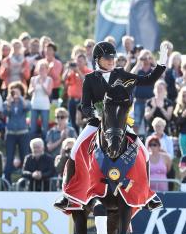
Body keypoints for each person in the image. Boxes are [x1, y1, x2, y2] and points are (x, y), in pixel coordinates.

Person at [54, 40, 168, 210]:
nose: (111, 60)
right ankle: (67, 195)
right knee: (74, 150)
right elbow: (84, 106)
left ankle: (147, 195)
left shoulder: (122, 74)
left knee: (143, 153)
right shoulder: (90, 79)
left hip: (119, 122)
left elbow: (148, 80)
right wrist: (95, 113)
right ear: (97, 59)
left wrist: (162, 62)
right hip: (96, 123)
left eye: (112, 57)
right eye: (107, 58)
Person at [3, 81, 30, 183]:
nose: (15, 94)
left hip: (23, 133)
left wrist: (20, 98)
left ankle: (26, 181)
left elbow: (27, 108)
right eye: (13, 92)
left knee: (25, 157)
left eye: (17, 91)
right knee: (9, 158)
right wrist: (9, 102)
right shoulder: (7, 103)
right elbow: (5, 113)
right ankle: (7, 181)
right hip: (11, 133)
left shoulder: (24, 102)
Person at [63, 53, 92, 134]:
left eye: (80, 61)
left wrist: (78, 71)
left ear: (85, 62)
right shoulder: (71, 72)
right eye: (77, 61)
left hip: (82, 101)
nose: (78, 63)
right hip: (72, 100)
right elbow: (63, 79)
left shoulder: (88, 71)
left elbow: (85, 82)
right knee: (72, 121)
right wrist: (68, 69)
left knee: (81, 122)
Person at [131, 49, 156, 134]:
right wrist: (139, 62)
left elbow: (162, 74)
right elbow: (131, 75)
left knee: (149, 124)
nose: (145, 60)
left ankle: (148, 141)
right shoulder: (139, 70)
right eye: (143, 58)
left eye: (147, 57)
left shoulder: (153, 70)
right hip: (139, 100)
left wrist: (153, 61)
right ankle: (135, 142)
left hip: (150, 101)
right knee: (136, 123)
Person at [28, 61, 53, 140]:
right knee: (33, 127)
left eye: (43, 68)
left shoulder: (49, 80)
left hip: (45, 106)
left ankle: (45, 145)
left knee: (44, 128)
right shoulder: (33, 79)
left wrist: (42, 84)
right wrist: (33, 88)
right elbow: (29, 92)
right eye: (40, 68)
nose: (41, 70)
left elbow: (48, 93)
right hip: (34, 105)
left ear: (46, 69)